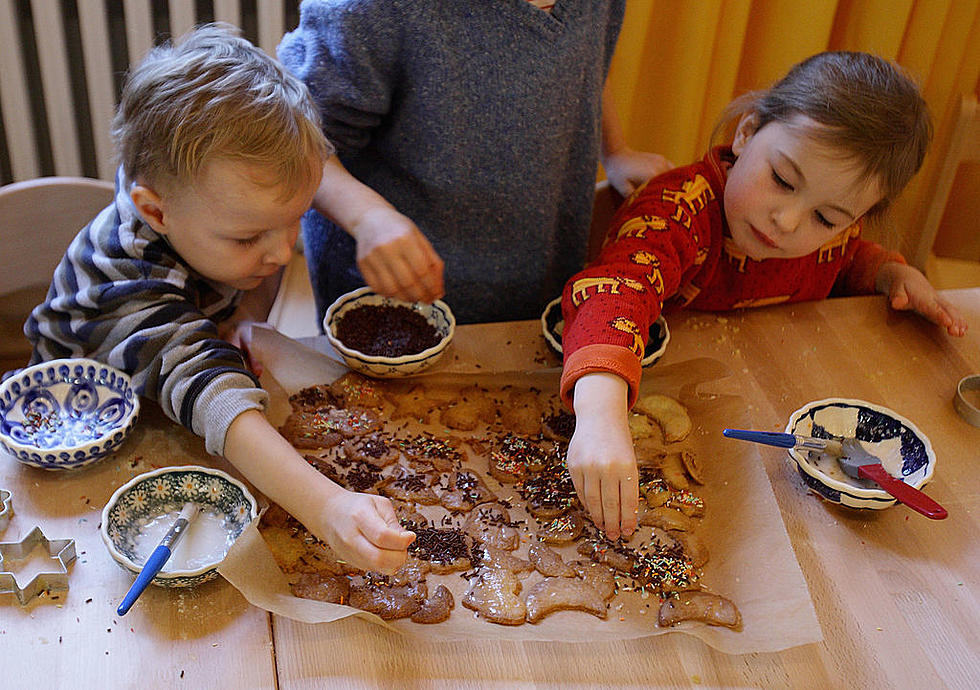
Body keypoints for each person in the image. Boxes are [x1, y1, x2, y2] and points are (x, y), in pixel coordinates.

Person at [20, 24, 415, 574]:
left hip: (170, 413)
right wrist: (327, 508)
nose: (282, 252)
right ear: (154, 211)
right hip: (76, 464)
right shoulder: (125, 278)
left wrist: (242, 319)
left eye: (292, 222)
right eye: (250, 238)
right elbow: (216, 399)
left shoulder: (198, 211)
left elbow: (225, 322)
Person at [558, 51, 969, 541]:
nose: (788, 221)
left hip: (769, 399)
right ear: (747, 132)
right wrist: (600, 413)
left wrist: (887, 274)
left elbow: (845, 258)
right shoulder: (676, 210)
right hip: (658, 399)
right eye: (781, 180)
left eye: (827, 217)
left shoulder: (834, 235)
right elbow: (618, 288)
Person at [277, 0, 672, 325]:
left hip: (534, 287)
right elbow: (296, 145)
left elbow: (589, 61)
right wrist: (366, 217)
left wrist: (615, 151)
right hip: (390, 304)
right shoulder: (369, 11)